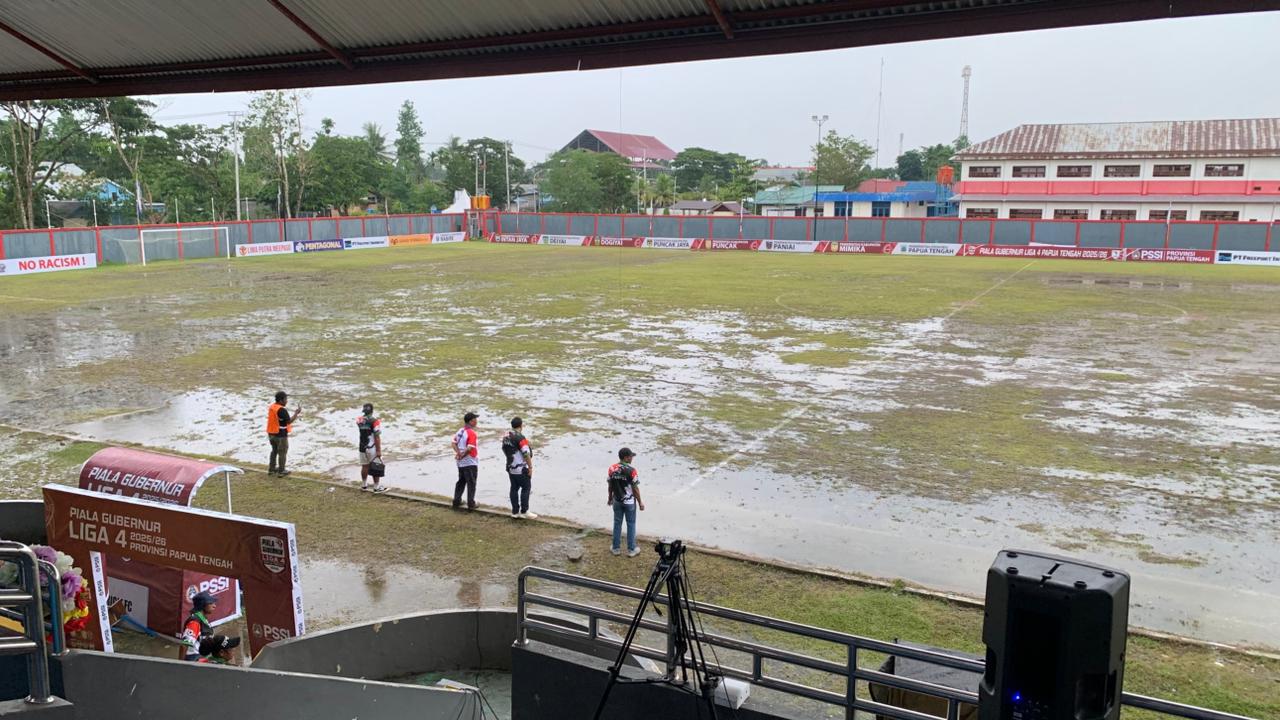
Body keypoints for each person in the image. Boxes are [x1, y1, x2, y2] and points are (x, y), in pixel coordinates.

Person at [607, 448, 645, 557]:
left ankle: (616, 548)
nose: (632, 458)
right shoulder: (631, 470)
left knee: (617, 523)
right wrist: (640, 502)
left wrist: (610, 498)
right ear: (626, 457)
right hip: (629, 502)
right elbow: (635, 488)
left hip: (617, 500)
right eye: (631, 456)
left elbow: (610, 485)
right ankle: (631, 549)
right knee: (631, 524)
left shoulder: (612, 468)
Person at [503, 417, 535, 519]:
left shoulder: (506, 436)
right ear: (521, 425)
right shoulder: (520, 438)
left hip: (510, 467)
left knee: (514, 488)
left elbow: (504, 450)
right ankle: (524, 511)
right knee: (526, 488)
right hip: (521, 469)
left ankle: (515, 512)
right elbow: (526, 454)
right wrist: (530, 467)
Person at [267, 390, 302, 477]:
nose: (287, 401)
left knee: (274, 451)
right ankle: (281, 471)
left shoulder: (272, 407)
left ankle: (271, 469)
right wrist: (296, 413)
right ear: (281, 400)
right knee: (282, 452)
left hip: (271, 433)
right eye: (285, 399)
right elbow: (289, 421)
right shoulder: (282, 410)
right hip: (281, 435)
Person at [452, 411, 480, 510]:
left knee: (461, 481)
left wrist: (458, 453)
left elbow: (453, 443)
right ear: (471, 421)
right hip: (470, 462)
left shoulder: (460, 431)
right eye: (475, 419)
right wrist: (462, 455)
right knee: (471, 483)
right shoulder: (471, 433)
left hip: (460, 463)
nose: (476, 421)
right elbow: (469, 448)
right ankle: (471, 503)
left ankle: (456, 501)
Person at [357, 403, 386, 493]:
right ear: (372, 411)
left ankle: (364, 485)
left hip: (362, 447)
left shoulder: (359, 420)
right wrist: (378, 450)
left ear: (364, 410)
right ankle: (376, 487)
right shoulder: (375, 421)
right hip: (372, 447)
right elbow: (377, 437)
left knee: (364, 466)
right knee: (376, 466)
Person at [179, 591, 216, 661]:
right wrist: (180, 665)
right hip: (194, 659)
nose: (214, 606)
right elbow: (184, 645)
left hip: (201, 657)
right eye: (211, 603)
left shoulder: (203, 619)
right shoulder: (195, 622)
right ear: (202, 605)